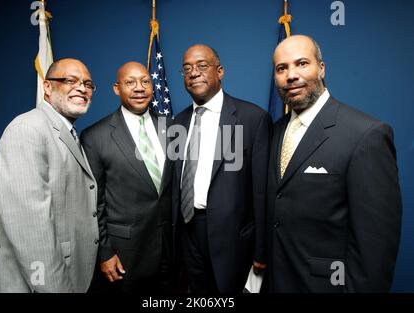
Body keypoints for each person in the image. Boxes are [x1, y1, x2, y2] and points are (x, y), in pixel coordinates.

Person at [265, 35, 402, 292]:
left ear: (322, 68)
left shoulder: (366, 135)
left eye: (302, 63)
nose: (291, 75)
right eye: (281, 68)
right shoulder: (273, 133)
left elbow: (375, 252)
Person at [0, 58, 99, 292]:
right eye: (70, 80)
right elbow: (31, 232)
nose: (81, 88)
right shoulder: (27, 130)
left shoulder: (66, 132)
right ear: (47, 87)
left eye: (88, 84)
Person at [172, 44, 272, 293]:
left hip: (233, 239)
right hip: (187, 232)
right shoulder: (177, 122)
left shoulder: (252, 118)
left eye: (202, 66)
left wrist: (261, 249)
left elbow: (262, 190)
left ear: (220, 71)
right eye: (187, 69)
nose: (193, 72)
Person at [81, 62, 173, 294]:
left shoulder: (171, 128)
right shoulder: (95, 136)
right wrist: (104, 252)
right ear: (116, 88)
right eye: (130, 82)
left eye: (145, 81)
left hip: (170, 250)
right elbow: (93, 202)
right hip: (124, 254)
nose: (139, 88)